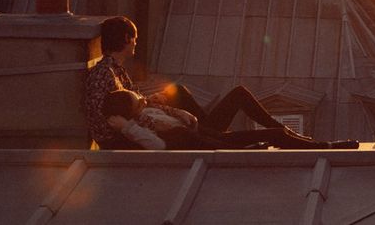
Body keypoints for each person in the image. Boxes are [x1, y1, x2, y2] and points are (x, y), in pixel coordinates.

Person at [86, 16, 358, 149]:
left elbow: (132, 108)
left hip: (175, 130)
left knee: (184, 91)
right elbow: (109, 124)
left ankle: (290, 135)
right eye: (133, 38)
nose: (136, 43)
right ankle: (315, 145)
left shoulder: (116, 71)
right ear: (124, 39)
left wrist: (160, 104)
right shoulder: (105, 75)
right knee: (228, 111)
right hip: (172, 136)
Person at [102, 89, 356, 150]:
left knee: (240, 94)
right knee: (274, 136)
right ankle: (326, 147)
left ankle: (296, 137)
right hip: (214, 142)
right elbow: (158, 146)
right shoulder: (139, 127)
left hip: (205, 133)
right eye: (140, 102)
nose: (144, 100)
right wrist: (128, 127)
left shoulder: (149, 115)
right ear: (131, 113)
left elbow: (190, 121)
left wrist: (170, 109)